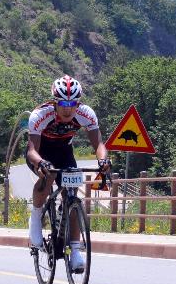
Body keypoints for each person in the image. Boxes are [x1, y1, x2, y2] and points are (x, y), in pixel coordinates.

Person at [25, 75, 111, 273]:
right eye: (63, 103)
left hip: (64, 151)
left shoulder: (86, 114)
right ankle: (36, 216)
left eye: (73, 103)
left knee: (72, 195)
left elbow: (98, 144)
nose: (68, 108)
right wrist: (40, 162)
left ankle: (75, 250)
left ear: (78, 103)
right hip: (41, 152)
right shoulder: (40, 115)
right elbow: (31, 150)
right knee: (48, 177)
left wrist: (103, 160)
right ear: (55, 102)